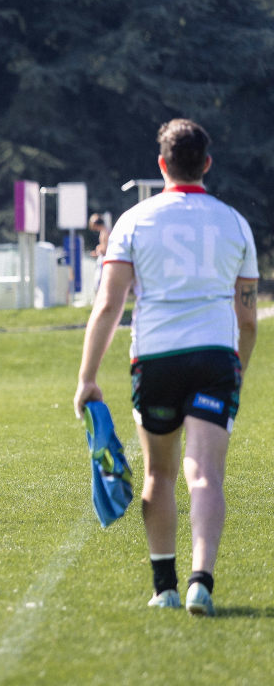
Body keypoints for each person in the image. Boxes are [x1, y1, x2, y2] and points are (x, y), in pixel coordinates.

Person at [74, 119, 259, 617]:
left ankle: (165, 588)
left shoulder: (133, 221)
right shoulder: (234, 223)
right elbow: (248, 320)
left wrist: (87, 378)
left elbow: (109, 306)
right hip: (216, 357)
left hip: (155, 359)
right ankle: (202, 581)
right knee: (206, 474)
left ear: (161, 165)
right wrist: (237, 372)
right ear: (207, 164)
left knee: (160, 473)